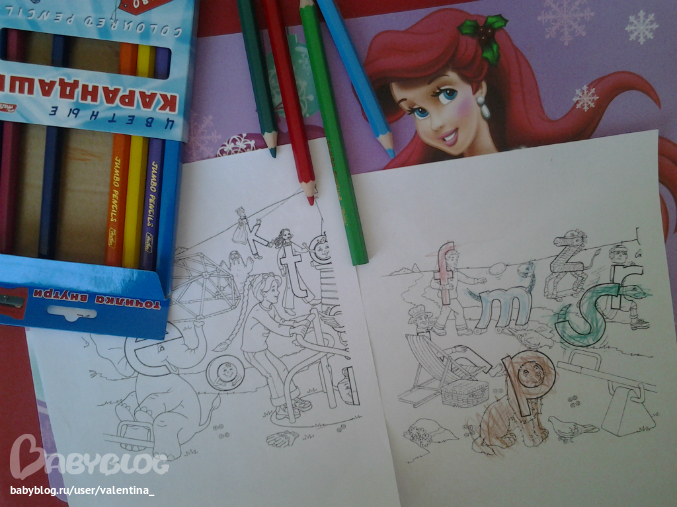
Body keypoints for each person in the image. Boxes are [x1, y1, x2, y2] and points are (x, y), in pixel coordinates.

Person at [363, 8, 661, 170]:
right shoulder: (426, 186)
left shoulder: (537, 165)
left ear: (477, 87)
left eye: (445, 94)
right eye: (417, 111)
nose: (436, 123)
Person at [239, 273, 313, 420]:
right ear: (262, 293)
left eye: (276, 288)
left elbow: (281, 320)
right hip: (252, 352)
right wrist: (293, 331)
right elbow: (276, 326)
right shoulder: (258, 311)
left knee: (282, 369)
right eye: (273, 289)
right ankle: (281, 407)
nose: (277, 292)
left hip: (262, 349)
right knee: (272, 374)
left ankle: (292, 398)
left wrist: (297, 323)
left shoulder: (270, 308)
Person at [431, 242, 486, 336]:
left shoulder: (455, 273)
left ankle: (437, 327)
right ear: (446, 260)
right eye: (452, 259)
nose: (455, 261)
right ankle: (461, 330)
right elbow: (432, 284)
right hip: (447, 297)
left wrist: (477, 281)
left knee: (445, 312)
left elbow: (466, 279)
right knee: (459, 311)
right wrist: (443, 287)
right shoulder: (442, 273)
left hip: (452, 297)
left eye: (456, 259)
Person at [599, 245, 650, 331]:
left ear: (626, 256)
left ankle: (633, 322)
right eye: (617, 253)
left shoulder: (618, 268)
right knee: (631, 305)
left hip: (616, 296)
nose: (620, 255)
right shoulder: (616, 269)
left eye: (623, 253)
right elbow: (639, 270)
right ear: (611, 255)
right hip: (615, 297)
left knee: (629, 305)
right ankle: (634, 322)